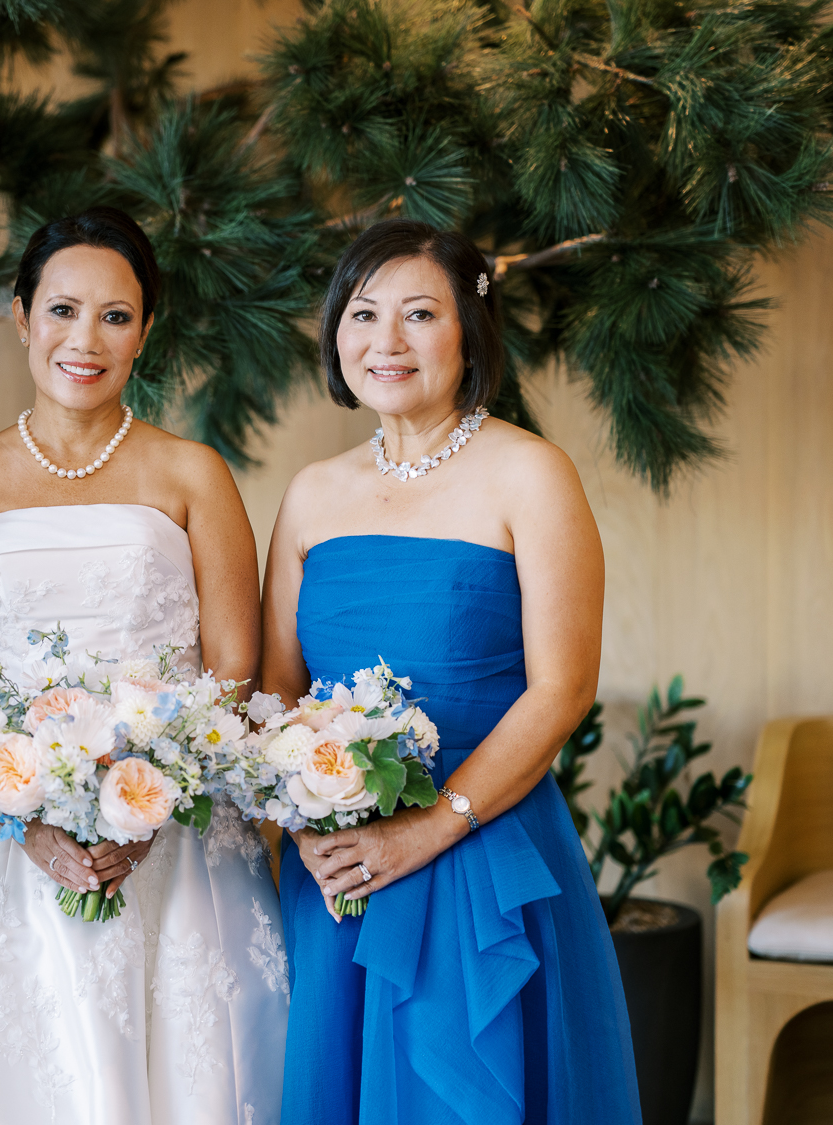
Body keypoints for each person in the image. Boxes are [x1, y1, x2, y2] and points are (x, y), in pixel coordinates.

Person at [0, 207, 288, 1125]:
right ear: (22, 317)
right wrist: (20, 816)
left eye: (115, 315)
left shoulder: (193, 475)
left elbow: (233, 670)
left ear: (146, 329)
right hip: (4, 841)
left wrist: (152, 804)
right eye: (62, 310)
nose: (84, 340)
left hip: (176, 844)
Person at [260, 218, 641, 1124]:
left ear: (469, 332)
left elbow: (563, 688)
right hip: (338, 868)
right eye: (362, 314)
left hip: (481, 851)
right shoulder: (313, 491)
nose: (385, 342)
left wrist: (428, 828)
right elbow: (275, 688)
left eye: (419, 314)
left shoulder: (530, 474)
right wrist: (302, 819)